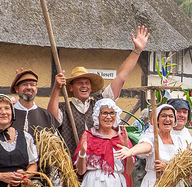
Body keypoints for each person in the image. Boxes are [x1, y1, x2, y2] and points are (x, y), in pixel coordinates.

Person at [50, 26, 149, 156]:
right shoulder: (64, 108)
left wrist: (137, 51)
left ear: (91, 88)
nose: (84, 86)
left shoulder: (101, 102)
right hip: (71, 166)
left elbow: (122, 77)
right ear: (71, 87)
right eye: (79, 83)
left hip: (97, 165)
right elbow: (51, 119)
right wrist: (56, 89)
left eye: (87, 83)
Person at [76, 99, 137, 187]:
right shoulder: (89, 136)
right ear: (97, 116)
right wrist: (82, 152)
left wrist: (127, 148)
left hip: (116, 184)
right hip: (94, 183)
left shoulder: (121, 136)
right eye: (104, 113)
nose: (108, 117)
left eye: (112, 113)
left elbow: (129, 170)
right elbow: (80, 171)